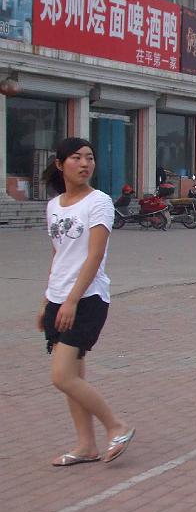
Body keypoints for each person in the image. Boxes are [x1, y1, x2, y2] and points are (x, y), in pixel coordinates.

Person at [39, 138, 134, 467]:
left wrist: (72, 301)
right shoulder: (54, 206)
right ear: (60, 164)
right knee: (74, 376)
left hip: (87, 298)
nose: (84, 164)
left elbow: (94, 256)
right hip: (58, 298)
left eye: (90, 158)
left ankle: (116, 426)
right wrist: (47, 301)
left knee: (61, 376)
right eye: (77, 158)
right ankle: (86, 446)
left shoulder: (99, 202)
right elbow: (58, 254)